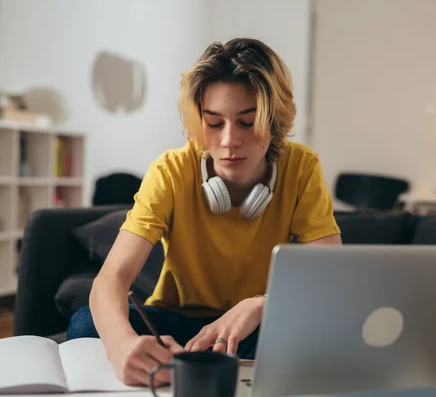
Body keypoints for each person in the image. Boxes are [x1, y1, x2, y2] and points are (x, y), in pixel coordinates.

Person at [66, 37, 342, 387]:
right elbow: (111, 280)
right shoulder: (170, 171)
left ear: (273, 122)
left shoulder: (302, 168)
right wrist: (122, 347)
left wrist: (263, 304)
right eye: (214, 123)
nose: (228, 141)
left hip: (254, 328)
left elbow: (332, 280)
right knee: (86, 324)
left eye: (247, 122)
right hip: (178, 327)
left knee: (329, 331)